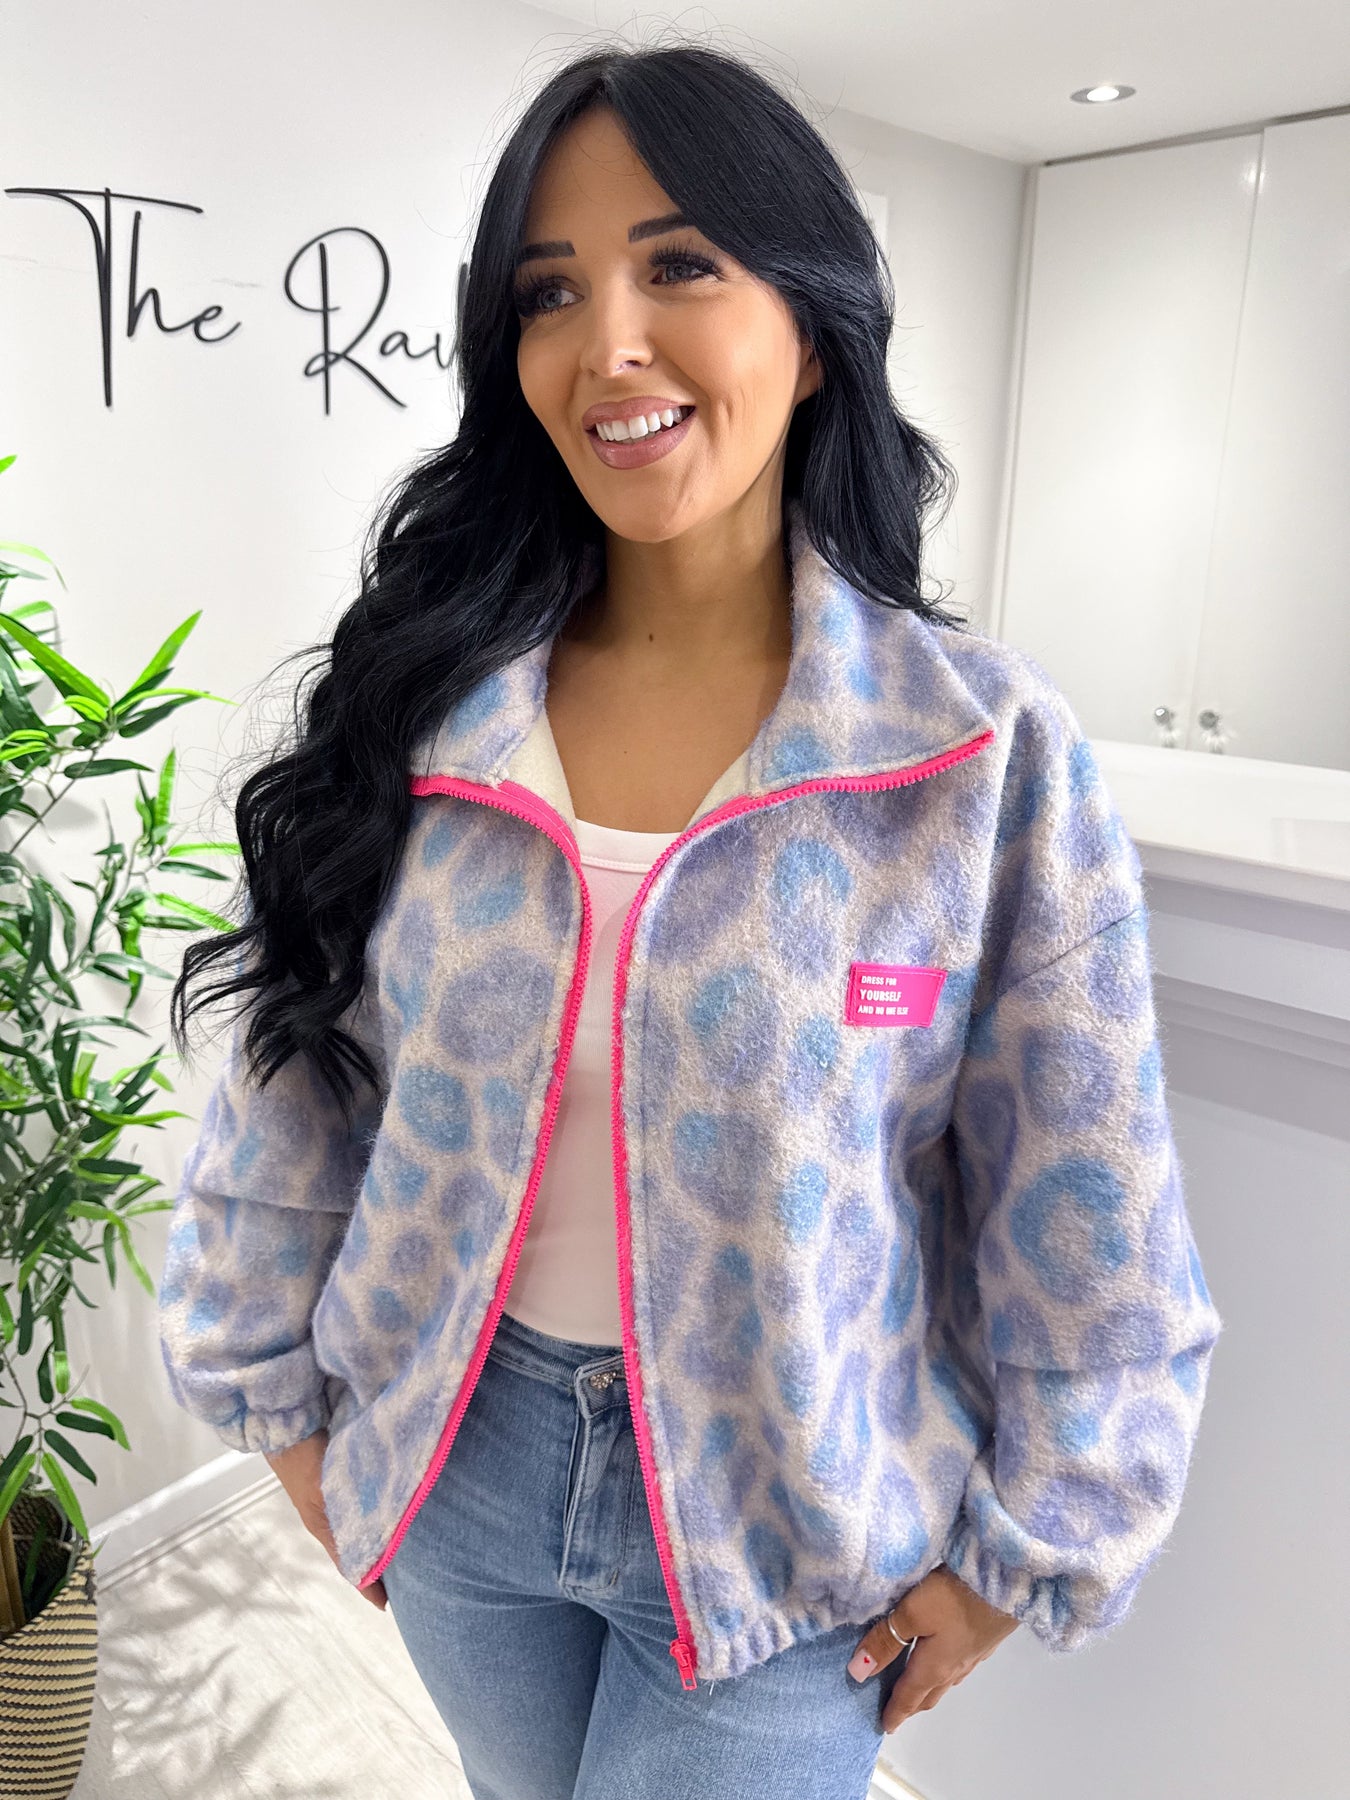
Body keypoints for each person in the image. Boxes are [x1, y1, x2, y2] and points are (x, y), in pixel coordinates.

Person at [156, 40, 1224, 1800]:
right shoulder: (433, 705)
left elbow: (1087, 1199)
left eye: (679, 266)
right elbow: (308, 1074)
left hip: (788, 1509)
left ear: (811, 324)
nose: (610, 343)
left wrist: (1030, 1547)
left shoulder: (969, 757)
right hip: (462, 1461)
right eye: (549, 291)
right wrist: (280, 1404)